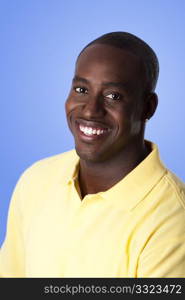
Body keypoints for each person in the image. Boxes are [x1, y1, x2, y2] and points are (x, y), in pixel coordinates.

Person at [0, 32, 185, 278]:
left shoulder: (172, 219)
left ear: (148, 107)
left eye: (113, 96)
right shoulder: (35, 180)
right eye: (81, 89)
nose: (90, 110)